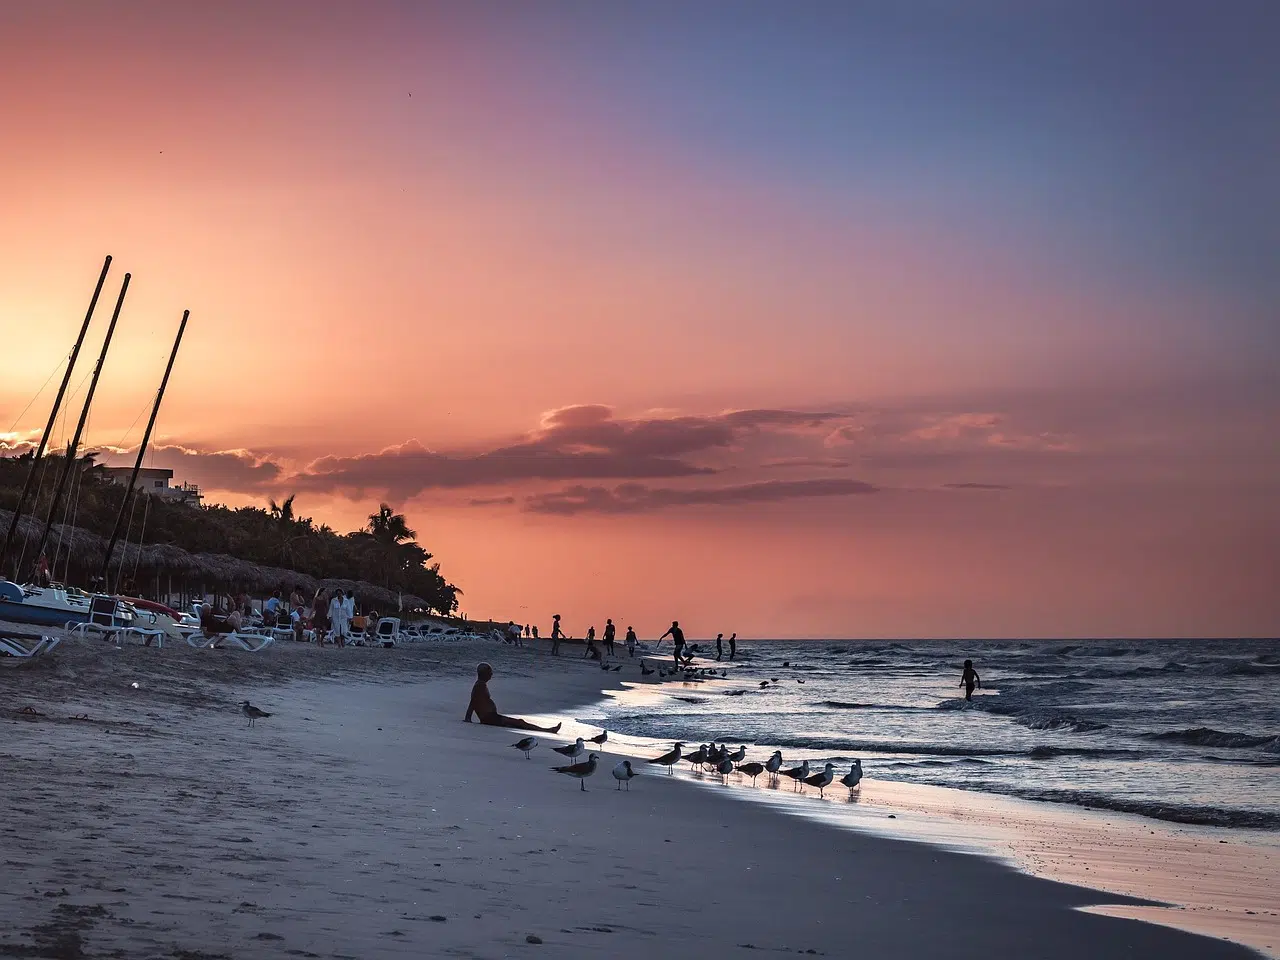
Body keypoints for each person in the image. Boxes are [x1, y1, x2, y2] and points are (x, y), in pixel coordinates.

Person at [464, 663, 563, 732]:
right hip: (490, 718)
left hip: (492, 717)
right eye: (490, 672)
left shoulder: (481, 684)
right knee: (520, 723)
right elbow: (473, 701)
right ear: (484, 673)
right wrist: (468, 718)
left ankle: (547, 729)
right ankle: (547, 730)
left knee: (518, 723)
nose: (491, 674)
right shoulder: (479, 686)